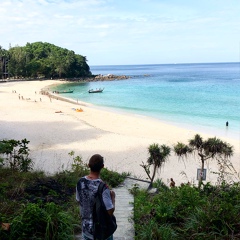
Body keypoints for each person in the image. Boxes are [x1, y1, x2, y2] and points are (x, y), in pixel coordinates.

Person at [76, 154, 116, 240]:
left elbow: (79, 201)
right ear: (102, 166)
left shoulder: (80, 182)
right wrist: (113, 197)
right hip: (101, 231)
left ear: (88, 165)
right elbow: (110, 211)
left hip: (86, 229)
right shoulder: (103, 187)